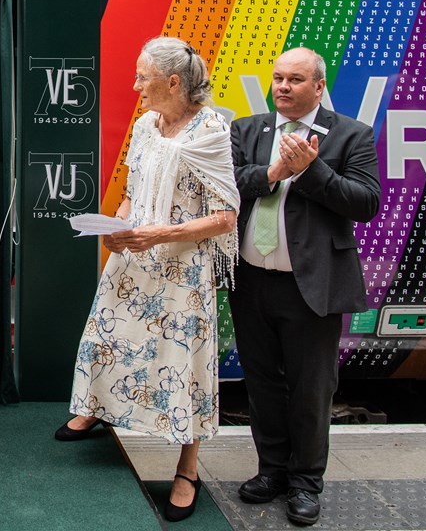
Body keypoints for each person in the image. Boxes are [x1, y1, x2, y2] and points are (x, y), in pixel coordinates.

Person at [56, 37, 239, 522]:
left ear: (173, 82)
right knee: (107, 337)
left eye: (143, 78)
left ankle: (188, 468)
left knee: (183, 363)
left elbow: (225, 217)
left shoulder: (211, 130)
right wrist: (118, 228)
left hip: (183, 268)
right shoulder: (144, 126)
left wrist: (162, 233)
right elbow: (132, 191)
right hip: (136, 258)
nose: (135, 86)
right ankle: (95, 408)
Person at [229, 47, 380, 527]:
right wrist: (274, 173)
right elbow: (228, 186)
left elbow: (365, 202)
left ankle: (305, 483)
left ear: (318, 86)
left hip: (311, 287)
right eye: (277, 78)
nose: (283, 88)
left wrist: (311, 171)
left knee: (312, 389)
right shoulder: (247, 130)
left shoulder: (351, 134)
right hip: (251, 281)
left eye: (295, 79)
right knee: (262, 385)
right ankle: (271, 471)